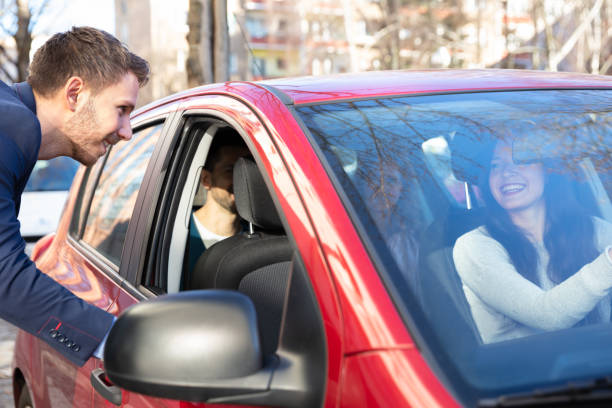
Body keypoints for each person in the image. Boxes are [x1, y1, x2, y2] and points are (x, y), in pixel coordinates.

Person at [0, 27, 149, 366]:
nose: (127, 132)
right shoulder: (11, 126)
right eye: (122, 109)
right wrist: (117, 339)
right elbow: (3, 273)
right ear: (75, 94)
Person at [453, 139, 612, 344]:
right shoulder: (474, 246)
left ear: (548, 172)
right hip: (528, 374)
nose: (507, 173)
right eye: (495, 165)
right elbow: (546, 316)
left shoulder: (593, 229)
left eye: (521, 160)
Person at [186, 127, 250, 273]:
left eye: (246, 169)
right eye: (230, 170)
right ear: (206, 179)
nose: (242, 179)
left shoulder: (258, 238)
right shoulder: (177, 233)